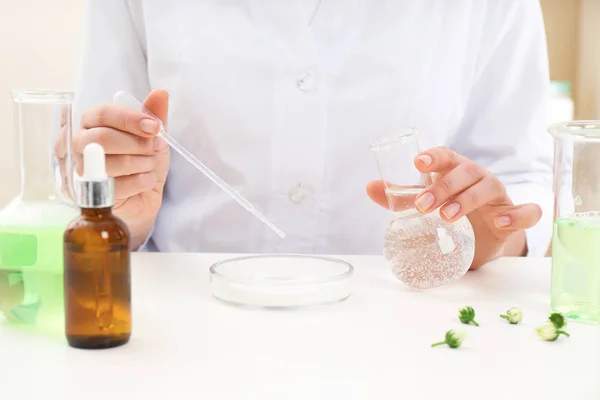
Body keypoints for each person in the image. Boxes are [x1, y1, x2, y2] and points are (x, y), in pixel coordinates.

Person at [65, 0, 554, 269]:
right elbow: (94, 164)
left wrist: (497, 238)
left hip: (407, 329)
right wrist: (119, 205)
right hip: (186, 323)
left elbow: (518, 174)